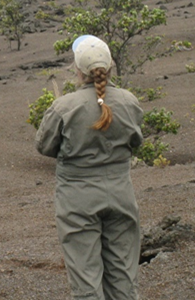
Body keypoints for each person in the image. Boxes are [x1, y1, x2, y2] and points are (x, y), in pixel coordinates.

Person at [35, 35, 145, 299]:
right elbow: (136, 141)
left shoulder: (64, 106)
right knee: (124, 276)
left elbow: (44, 146)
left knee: (86, 278)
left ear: (78, 70)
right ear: (109, 67)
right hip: (121, 193)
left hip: (77, 198)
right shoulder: (129, 101)